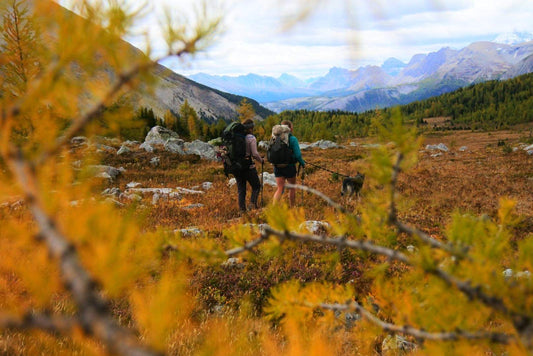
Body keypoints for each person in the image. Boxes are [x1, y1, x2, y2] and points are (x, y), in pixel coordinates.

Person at [272, 120, 305, 207]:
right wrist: (303, 163)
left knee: (280, 188)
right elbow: (298, 155)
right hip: (289, 167)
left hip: (277, 166)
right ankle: (292, 208)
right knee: (292, 188)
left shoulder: (275, 137)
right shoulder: (293, 139)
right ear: (290, 128)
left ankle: (274, 209)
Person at [234, 119, 263, 212]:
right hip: (248, 166)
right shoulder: (251, 138)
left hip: (237, 166)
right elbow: (254, 154)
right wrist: (261, 160)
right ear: (251, 127)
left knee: (241, 189)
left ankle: (242, 210)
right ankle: (252, 205)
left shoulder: (236, 136)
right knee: (256, 186)